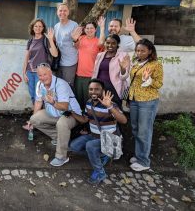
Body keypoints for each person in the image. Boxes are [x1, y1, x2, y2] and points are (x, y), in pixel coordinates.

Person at [69, 79, 127, 184]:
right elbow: (84, 120)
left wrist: (109, 106)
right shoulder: (88, 103)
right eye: (91, 89)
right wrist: (71, 112)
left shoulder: (110, 104)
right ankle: (102, 156)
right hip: (94, 136)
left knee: (90, 146)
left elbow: (124, 120)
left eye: (97, 89)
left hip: (110, 140)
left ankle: (100, 172)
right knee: (74, 146)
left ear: (103, 90)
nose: (93, 92)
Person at [29, 63, 82, 167]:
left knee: (62, 124)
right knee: (34, 119)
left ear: (51, 73)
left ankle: (62, 157)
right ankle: (60, 138)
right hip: (53, 113)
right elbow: (38, 102)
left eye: (45, 74)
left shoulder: (60, 84)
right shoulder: (40, 84)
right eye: (40, 75)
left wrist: (53, 102)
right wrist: (31, 124)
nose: (43, 78)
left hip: (71, 114)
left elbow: (65, 107)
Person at [128, 39, 163, 172]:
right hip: (135, 100)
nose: (139, 53)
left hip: (148, 102)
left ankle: (144, 161)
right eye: (137, 50)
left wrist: (148, 79)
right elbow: (132, 81)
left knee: (144, 131)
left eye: (143, 51)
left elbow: (159, 83)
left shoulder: (156, 64)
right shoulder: (136, 62)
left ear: (150, 51)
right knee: (136, 129)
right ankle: (139, 155)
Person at [71, 17, 105, 109]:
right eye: (87, 28)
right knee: (78, 97)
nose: (89, 30)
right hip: (79, 74)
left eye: (91, 28)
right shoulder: (81, 38)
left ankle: (89, 118)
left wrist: (102, 27)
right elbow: (75, 45)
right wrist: (74, 39)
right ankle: (80, 118)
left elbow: (102, 44)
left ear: (95, 30)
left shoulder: (97, 41)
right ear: (84, 30)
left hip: (91, 75)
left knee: (88, 99)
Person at [22, 18, 58, 105]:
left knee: (42, 95)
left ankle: (44, 113)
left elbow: (55, 54)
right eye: (36, 26)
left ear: (43, 28)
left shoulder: (46, 40)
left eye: (40, 26)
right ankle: (36, 113)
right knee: (33, 95)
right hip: (30, 71)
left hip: (42, 73)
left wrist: (50, 39)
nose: (38, 28)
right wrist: (24, 73)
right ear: (32, 28)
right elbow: (26, 58)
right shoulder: (30, 41)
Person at [92, 34, 130, 109]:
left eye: (113, 43)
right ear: (105, 43)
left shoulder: (123, 55)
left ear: (117, 44)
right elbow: (95, 72)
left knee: (114, 110)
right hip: (99, 87)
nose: (110, 45)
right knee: (99, 109)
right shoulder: (100, 55)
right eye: (108, 43)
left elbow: (124, 77)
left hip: (113, 88)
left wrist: (122, 69)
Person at [54, 3, 78, 87]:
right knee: (58, 87)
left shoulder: (74, 25)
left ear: (68, 12)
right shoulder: (56, 26)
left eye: (65, 10)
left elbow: (78, 45)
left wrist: (75, 39)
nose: (62, 13)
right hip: (58, 62)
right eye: (60, 10)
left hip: (70, 63)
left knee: (68, 87)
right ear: (57, 12)